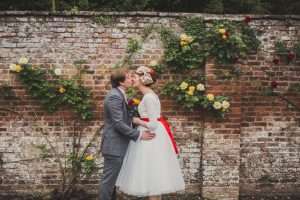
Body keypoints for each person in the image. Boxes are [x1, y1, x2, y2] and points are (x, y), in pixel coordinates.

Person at [116, 66, 185, 200]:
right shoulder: (148, 95)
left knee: (153, 174)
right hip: (149, 135)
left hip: (151, 137)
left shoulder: (149, 97)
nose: (132, 79)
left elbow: (153, 124)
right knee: (151, 175)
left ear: (143, 79)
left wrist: (137, 120)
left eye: (135, 77)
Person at [99, 68, 156, 200]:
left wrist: (137, 121)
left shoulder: (120, 94)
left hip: (119, 144)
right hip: (114, 146)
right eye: (129, 77)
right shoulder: (114, 96)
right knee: (108, 182)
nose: (132, 79)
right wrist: (139, 135)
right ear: (121, 82)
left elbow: (123, 118)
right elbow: (118, 123)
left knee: (112, 182)